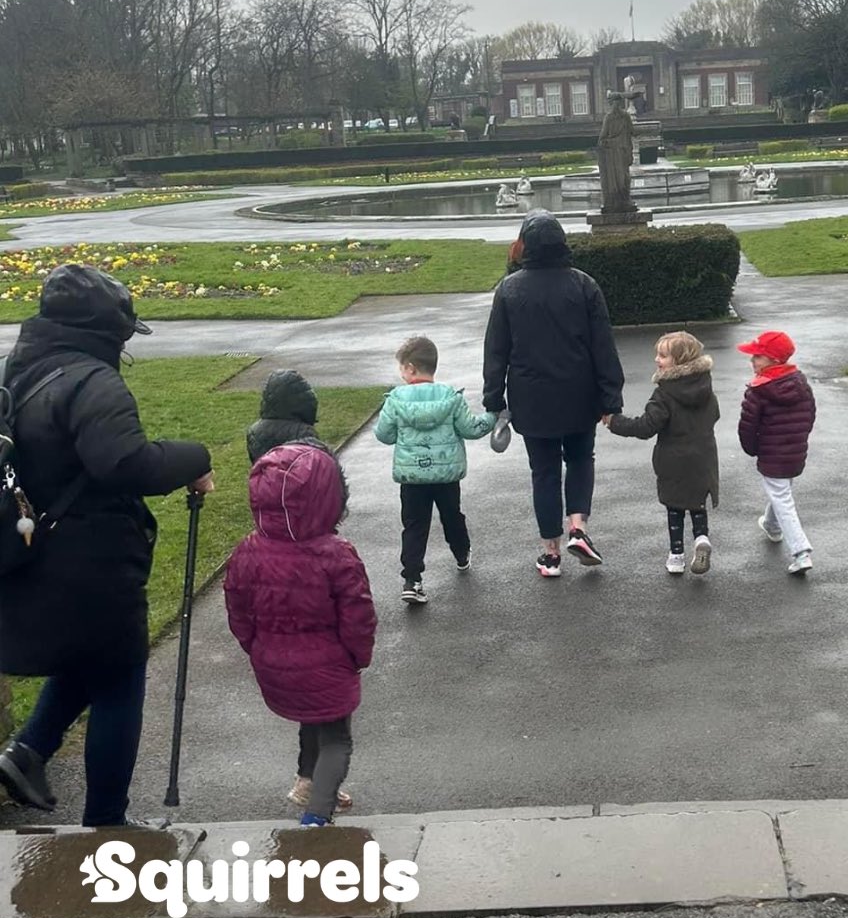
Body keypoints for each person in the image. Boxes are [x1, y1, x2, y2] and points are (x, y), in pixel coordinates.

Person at [0, 265, 213, 826]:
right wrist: (196, 457)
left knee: (87, 658)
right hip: (91, 563)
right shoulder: (93, 380)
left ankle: (27, 751)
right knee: (119, 681)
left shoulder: (20, 370)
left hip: (36, 549)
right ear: (107, 330)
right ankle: (107, 825)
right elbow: (124, 463)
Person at [224, 443, 377, 827]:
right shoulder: (336, 554)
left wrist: (255, 646)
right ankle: (316, 814)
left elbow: (237, 606)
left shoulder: (248, 550)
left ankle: (307, 782)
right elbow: (358, 615)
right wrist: (358, 657)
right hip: (329, 662)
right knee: (337, 739)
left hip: (274, 661)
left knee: (313, 717)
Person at [483, 209, 624, 576]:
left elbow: (496, 351)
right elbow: (603, 346)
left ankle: (551, 552)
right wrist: (610, 398)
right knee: (580, 458)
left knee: (543, 472)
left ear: (525, 245)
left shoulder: (509, 289)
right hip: (579, 392)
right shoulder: (584, 285)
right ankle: (578, 525)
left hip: (532, 398)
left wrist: (494, 401)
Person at [374, 336, 494, 605]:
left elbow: (384, 434)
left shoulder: (396, 399)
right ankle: (461, 552)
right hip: (445, 475)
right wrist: (492, 417)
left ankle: (412, 579)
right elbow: (471, 429)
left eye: (402, 368)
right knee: (452, 515)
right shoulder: (450, 397)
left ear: (411, 368)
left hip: (412, 477)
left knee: (415, 525)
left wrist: (401, 436)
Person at [604, 332, 719, 576]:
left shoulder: (665, 393)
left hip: (673, 459)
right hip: (703, 456)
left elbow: (646, 426)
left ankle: (676, 556)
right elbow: (714, 415)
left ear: (679, 360)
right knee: (697, 503)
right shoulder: (706, 388)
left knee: (674, 507)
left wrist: (615, 422)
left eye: (663, 356)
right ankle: (701, 538)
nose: (657, 359)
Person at [737, 330, 816, 575]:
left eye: (758, 357)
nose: (752, 361)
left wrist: (752, 449)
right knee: (781, 490)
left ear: (773, 360)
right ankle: (771, 525)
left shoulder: (758, 391)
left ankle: (801, 552)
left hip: (771, 453)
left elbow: (748, 426)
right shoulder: (800, 383)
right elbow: (810, 416)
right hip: (795, 450)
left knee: (782, 498)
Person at [597, 94, 635, 213]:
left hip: (623, 151)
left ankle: (625, 200)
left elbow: (631, 133)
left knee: (624, 178)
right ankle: (613, 201)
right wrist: (609, 143)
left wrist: (630, 151)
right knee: (614, 180)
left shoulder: (625, 116)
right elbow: (602, 138)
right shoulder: (609, 118)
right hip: (612, 154)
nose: (616, 104)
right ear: (611, 103)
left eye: (618, 102)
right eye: (614, 102)